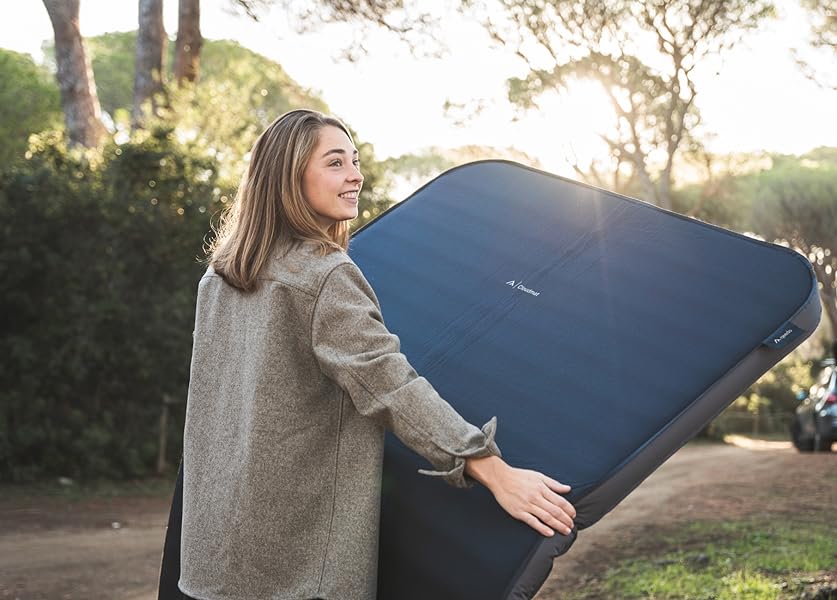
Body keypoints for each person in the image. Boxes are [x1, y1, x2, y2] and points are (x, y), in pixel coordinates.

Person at [176, 109, 576, 600]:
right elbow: (389, 384)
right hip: (296, 562)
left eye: (355, 160)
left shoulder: (218, 277)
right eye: (336, 162)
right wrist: (492, 470)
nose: (356, 175)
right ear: (288, 176)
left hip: (216, 547)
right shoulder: (323, 275)